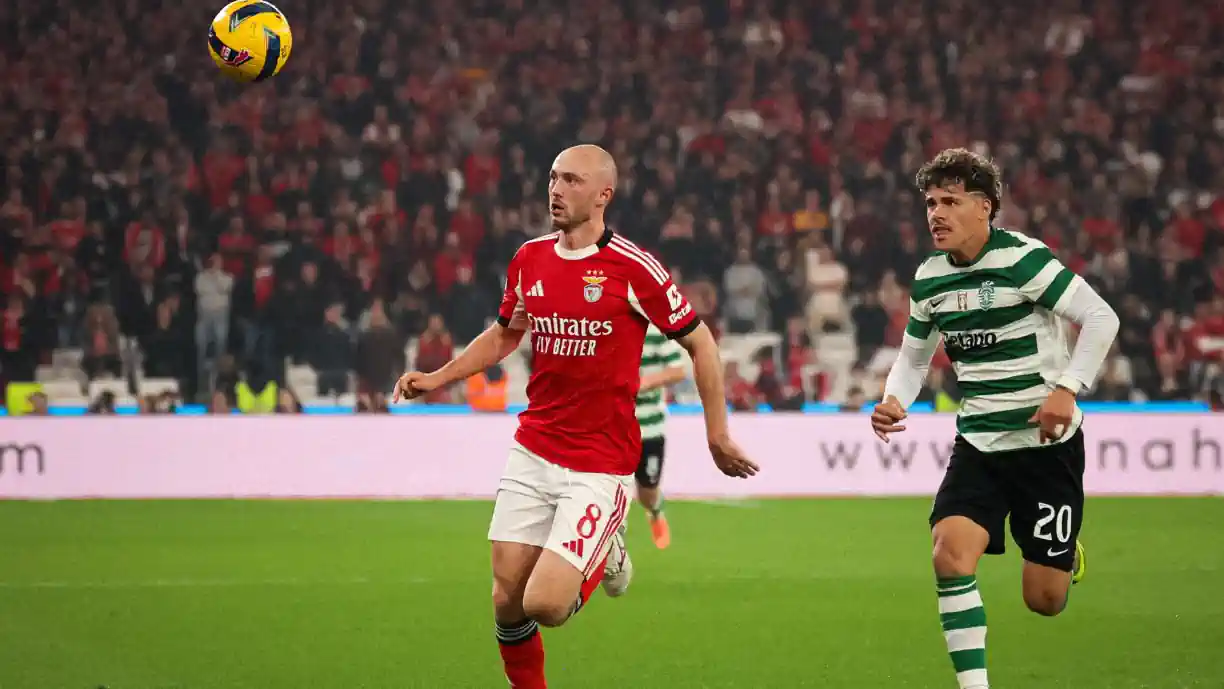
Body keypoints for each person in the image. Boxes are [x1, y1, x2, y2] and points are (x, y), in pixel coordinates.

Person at [394, 144, 758, 689]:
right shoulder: (530, 258)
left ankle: (607, 548)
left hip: (600, 460)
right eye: (552, 178)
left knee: (546, 605)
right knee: (505, 599)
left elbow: (702, 343)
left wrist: (717, 432)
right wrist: (438, 377)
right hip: (535, 446)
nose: (556, 191)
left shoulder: (633, 268)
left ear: (603, 195)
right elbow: (504, 335)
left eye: (571, 181)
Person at [870, 148, 1120, 689]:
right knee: (949, 555)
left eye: (950, 202)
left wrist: (1067, 390)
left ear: (984, 208)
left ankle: (1064, 547)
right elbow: (913, 358)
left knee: (1044, 600)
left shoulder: (1023, 260)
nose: (935, 213)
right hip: (980, 444)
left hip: (1044, 446)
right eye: (931, 202)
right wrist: (895, 400)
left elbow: (1101, 317)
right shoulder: (930, 278)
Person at [634, 322, 688, 549]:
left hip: (650, 426)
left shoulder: (655, 332)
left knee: (647, 489)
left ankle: (655, 512)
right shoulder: (606, 327)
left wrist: (643, 383)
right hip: (613, 425)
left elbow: (678, 369)